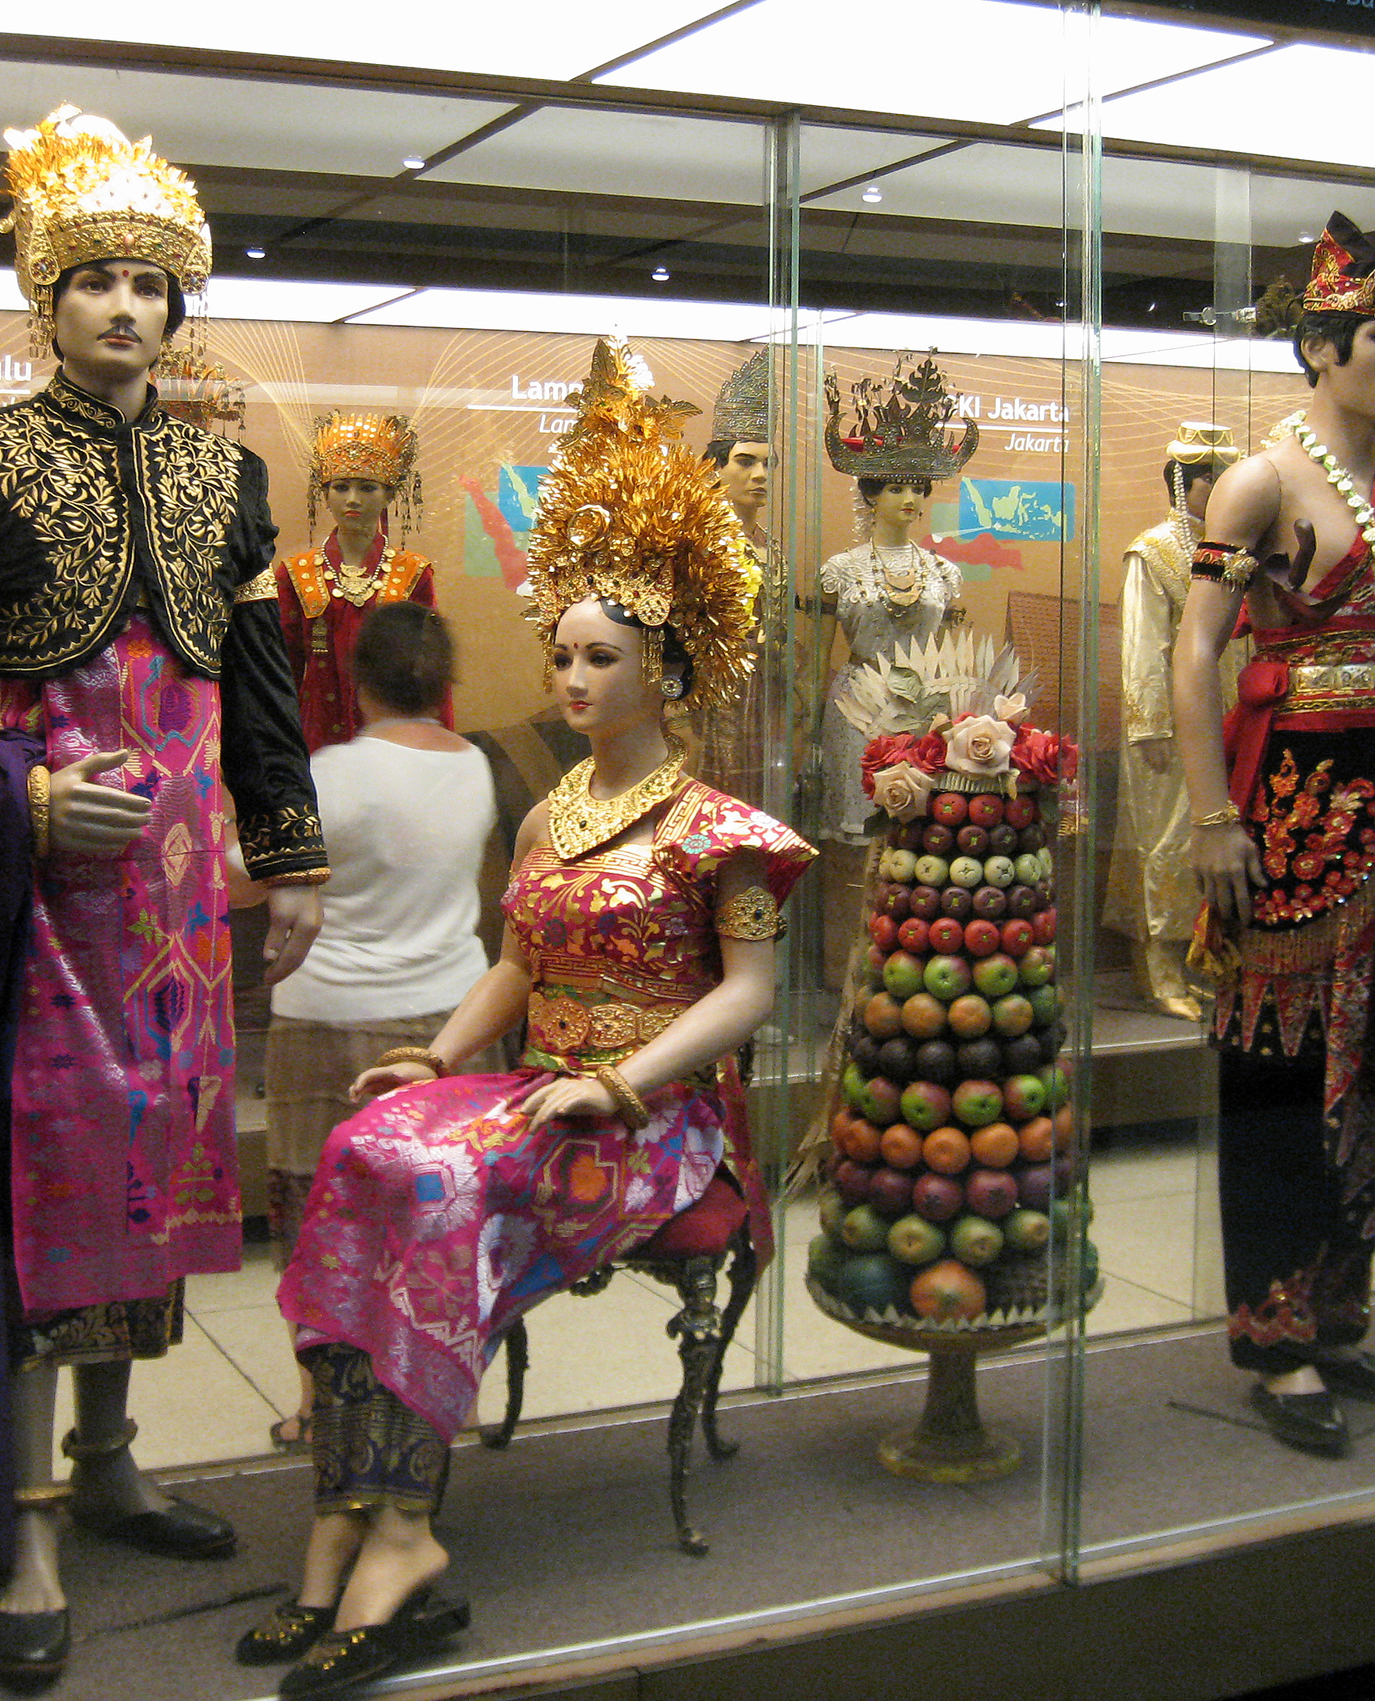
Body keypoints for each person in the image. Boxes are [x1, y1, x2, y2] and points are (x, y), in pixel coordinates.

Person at [237, 339, 812, 1700]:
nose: (570, 678)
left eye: (600, 658)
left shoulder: (718, 828)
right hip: (535, 1088)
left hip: (660, 1124)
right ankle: (348, 1506)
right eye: (560, 654)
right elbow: (513, 957)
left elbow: (749, 994)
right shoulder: (552, 808)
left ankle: (409, 1537)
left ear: (666, 672)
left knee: (438, 1185)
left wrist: (621, 1086)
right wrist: (437, 1050)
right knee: (364, 1149)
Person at [0, 106, 326, 1682]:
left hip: (181, 906)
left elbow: (258, 675)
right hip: (37, 889)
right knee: (44, 1174)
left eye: (152, 285)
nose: (126, 308)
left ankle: (112, 1457)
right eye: (95, 281)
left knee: (163, 1175)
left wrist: (292, 849)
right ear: (45, 299)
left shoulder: (220, 473)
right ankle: (26, 1511)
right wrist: (23, 790)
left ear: (184, 308)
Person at [1172, 212, 1375, 1458]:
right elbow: (1193, 649)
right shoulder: (1261, 479)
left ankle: (1342, 1316)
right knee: (1279, 1071)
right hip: (1300, 810)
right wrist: (1211, 815)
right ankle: (1271, 1336)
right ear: (1319, 348)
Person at [263, 602, 498, 1448]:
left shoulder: (327, 773)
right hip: (453, 1018)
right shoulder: (475, 767)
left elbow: (246, 872)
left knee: (318, 1214)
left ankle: (318, 1397)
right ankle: (448, 1393)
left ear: (356, 681)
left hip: (329, 1015)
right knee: (444, 1215)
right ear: (444, 683)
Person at [1104, 422, 1244, 1021]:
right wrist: (1149, 725)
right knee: (1162, 842)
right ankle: (1156, 969)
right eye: (1215, 477)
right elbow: (1140, 646)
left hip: (1228, 716)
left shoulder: (1235, 551)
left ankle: (1199, 958)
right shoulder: (1154, 550)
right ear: (1188, 483)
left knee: (1215, 836)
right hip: (1166, 725)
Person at [814, 352, 974, 845]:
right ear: (871, 496)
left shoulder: (944, 571)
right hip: (856, 700)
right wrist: (806, 721)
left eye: (917, 488)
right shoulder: (841, 569)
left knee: (917, 829)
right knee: (857, 829)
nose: (910, 498)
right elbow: (819, 653)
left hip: (922, 701)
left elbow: (949, 648)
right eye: (896, 487)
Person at [275, 411, 442, 750]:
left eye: (367, 488)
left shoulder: (413, 573)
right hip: (314, 739)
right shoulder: (296, 573)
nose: (352, 499)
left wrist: (439, 746)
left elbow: (432, 674)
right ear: (325, 493)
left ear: (390, 495)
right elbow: (283, 672)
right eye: (341, 487)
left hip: (395, 743)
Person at [697, 345, 773, 803]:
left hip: (763, 699)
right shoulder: (694, 543)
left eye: (767, 463)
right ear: (717, 467)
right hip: (705, 697)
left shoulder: (775, 550)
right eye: (746, 461)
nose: (760, 474)